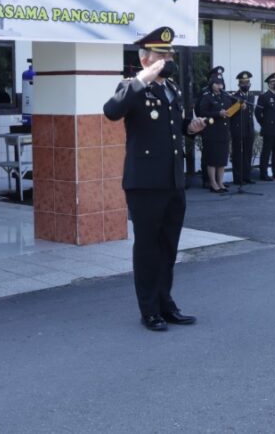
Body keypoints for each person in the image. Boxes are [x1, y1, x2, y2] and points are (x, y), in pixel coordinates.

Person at [103, 26, 206, 332]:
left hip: (173, 181)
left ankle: (166, 302)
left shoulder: (172, 89)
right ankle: (149, 310)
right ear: (145, 58)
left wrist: (191, 126)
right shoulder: (133, 87)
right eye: (161, 55)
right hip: (145, 183)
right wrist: (141, 79)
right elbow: (111, 111)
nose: (167, 59)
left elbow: (174, 128)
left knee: (168, 246)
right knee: (147, 248)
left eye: (170, 54)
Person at [197, 75, 231, 193]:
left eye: (220, 83)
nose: (218, 86)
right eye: (216, 83)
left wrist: (239, 106)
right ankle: (213, 183)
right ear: (211, 84)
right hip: (212, 132)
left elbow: (230, 110)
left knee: (222, 160)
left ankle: (220, 182)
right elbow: (202, 112)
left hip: (223, 132)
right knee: (212, 160)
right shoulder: (207, 97)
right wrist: (218, 114)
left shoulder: (225, 96)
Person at [255, 73, 275, 180]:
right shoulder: (264, 97)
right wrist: (264, 124)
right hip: (269, 129)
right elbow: (257, 113)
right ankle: (263, 174)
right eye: (274, 82)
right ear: (269, 84)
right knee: (266, 152)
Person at [229, 71, 257, 184]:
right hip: (238, 128)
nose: (245, 85)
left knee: (248, 153)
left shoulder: (251, 96)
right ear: (239, 84)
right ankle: (238, 178)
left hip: (249, 128)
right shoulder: (234, 97)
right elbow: (230, 112)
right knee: (238, 154)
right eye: (243, 83)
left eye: (247, 83)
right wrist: (239, 106)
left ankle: (246, 176)